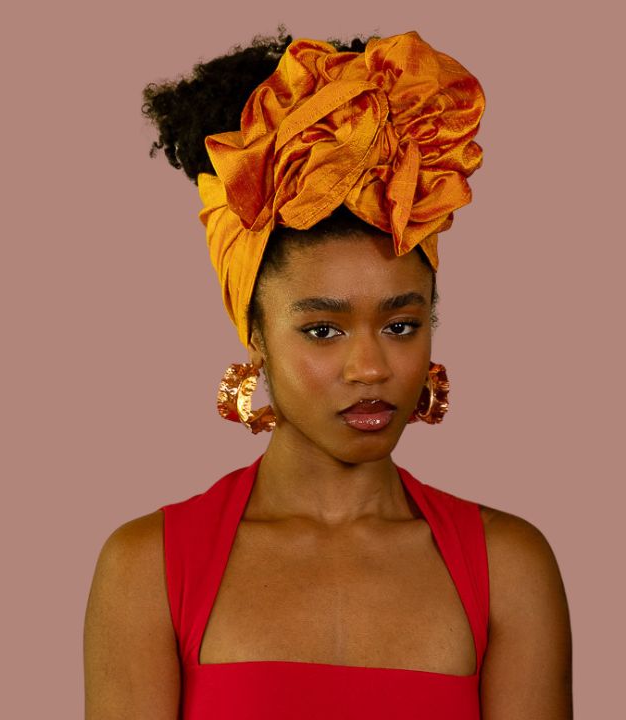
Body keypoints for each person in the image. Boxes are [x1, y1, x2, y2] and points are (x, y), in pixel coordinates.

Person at [83, 29, 572, 719]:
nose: (370, 367)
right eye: (322, 330)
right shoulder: (148, 569)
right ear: (255, 333)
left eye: (400, 325)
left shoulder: (510, 569)